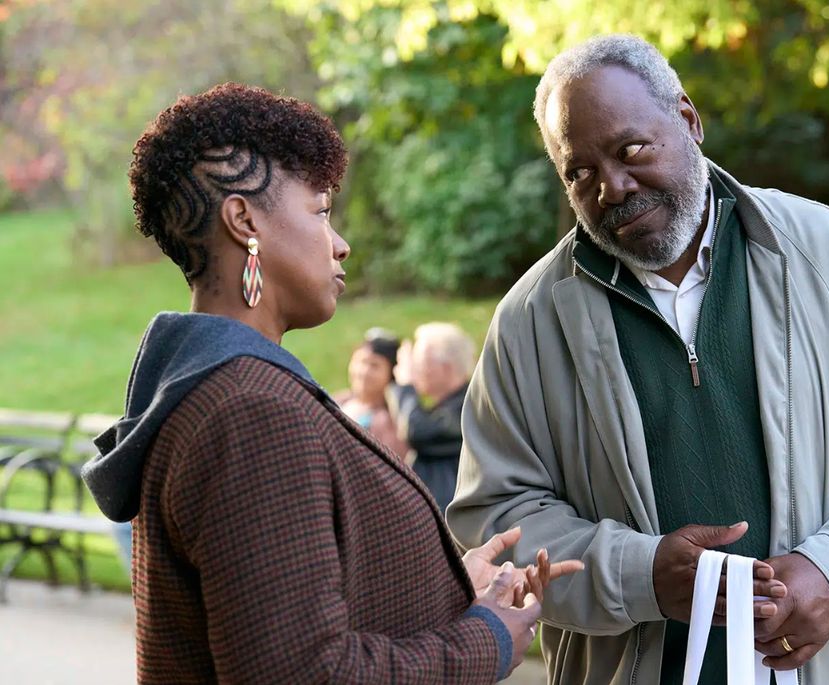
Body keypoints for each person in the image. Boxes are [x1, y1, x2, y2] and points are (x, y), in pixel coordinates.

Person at [446, 35, 829, 685]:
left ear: (689, 119)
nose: (612, 186)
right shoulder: (529, 322)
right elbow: (496, 524)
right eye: (580, 172)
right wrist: (638, 574)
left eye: (630, 149)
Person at [81, 83, 581, 683]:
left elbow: (293, 614)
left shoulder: (232, 396)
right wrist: (485, 639)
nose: (340, 242)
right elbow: (299, 673)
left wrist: (446, 586)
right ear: (244, 221)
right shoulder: (250, 414)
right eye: (320, 211)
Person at [389, 322, 475, 510]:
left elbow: (417, 431)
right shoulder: (450, 406)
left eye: (418, 363)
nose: (413, 371)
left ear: (446, 368)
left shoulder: (471, 408)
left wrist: (405, 387)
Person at [334, 329, 408, 457]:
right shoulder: (337, 400)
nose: (364, 372)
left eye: (374, 365)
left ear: (391, 373)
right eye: (361, 361)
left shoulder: (388, 422)